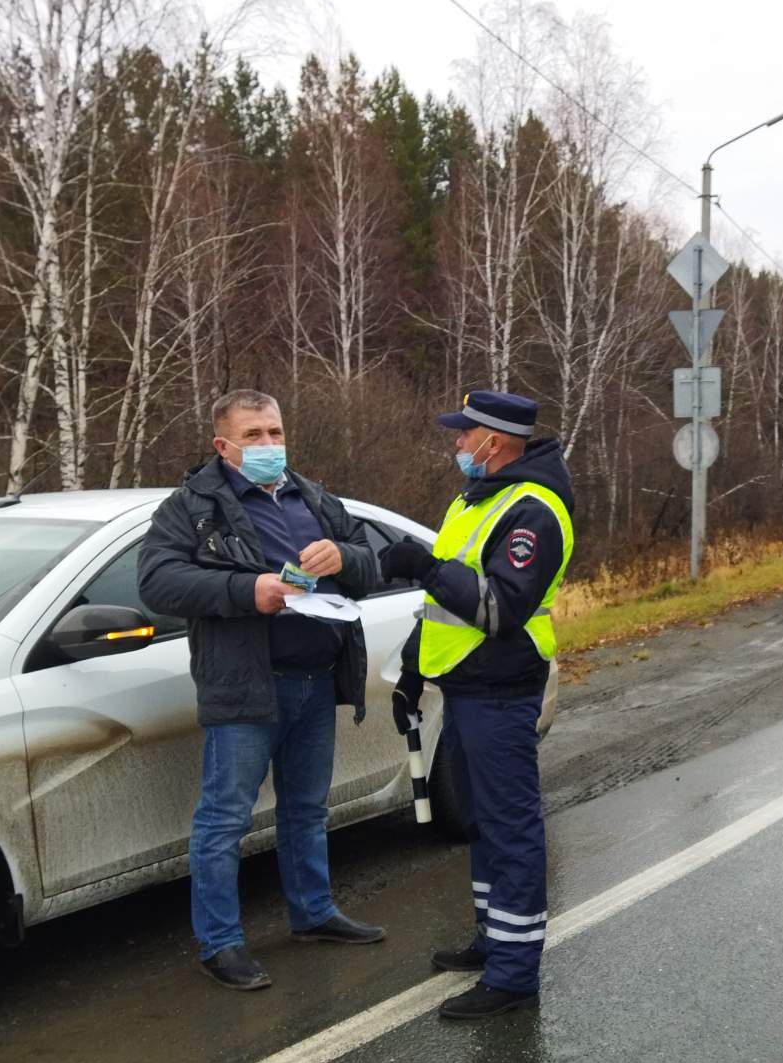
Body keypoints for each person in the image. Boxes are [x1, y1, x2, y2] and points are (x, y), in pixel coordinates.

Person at [138, 389, 385, 992]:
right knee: (224, 821)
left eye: (275, 432)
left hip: (317, 679)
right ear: (223, 446)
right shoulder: (191, 507)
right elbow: (158, 581)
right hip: (246, 686)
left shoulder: (312, 496)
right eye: (253, 436)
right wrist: (248, 592)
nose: (269, 446)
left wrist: (344, 556)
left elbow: (372, 565)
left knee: (306, 809)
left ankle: (314, 912)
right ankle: (220, 944)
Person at [378, 390, 576, 1021]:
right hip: (464, 687)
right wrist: (412, 671)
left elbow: (498, 608)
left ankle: (515, 975)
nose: (457, 444)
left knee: (512, 828)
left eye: (465, 435)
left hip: (502, 688)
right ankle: (494, 939)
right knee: (483, 825)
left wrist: (424, 568)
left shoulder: (534, 508)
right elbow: (442, 610)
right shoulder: (474, 500)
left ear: (494, 441)